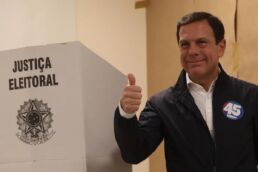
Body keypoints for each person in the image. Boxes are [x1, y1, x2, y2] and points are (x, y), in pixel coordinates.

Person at [114, 11, 258, 172]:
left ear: (221, 47)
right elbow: (134, 153)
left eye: (201, 42)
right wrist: (126, 114)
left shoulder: (251, 96)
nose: (192, 51)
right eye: (185, 44)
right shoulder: (161, 105)